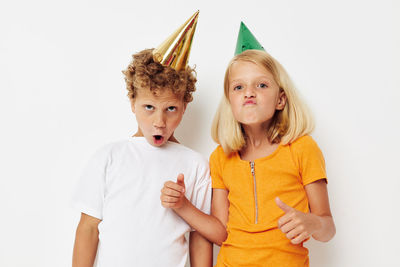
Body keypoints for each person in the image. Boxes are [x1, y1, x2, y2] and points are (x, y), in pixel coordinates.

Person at [161, 22, 335, 266]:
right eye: (239, 87)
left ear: (281, 100)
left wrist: (312, 222)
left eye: (261, 85)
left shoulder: (302, 148)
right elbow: (221, 233)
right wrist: (183, 205)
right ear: (230, 101)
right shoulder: (221, 158)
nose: (249, 93)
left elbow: (327, 228)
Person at [72, 11, 216, 267]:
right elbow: (88, 228)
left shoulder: (195, 165)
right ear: (132, 103)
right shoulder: (109, 157)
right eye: (149, 107)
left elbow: (199, 237)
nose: (159, 121)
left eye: (170, 109)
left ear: (184, 107)